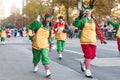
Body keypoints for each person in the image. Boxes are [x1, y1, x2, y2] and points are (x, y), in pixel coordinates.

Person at [72, 7, 106, 78]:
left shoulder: (94, 20)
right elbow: (75, 24)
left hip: (93, 40)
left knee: (92, 56)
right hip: (84, 40)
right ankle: (87, 70)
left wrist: (102, 39)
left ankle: (83, 63)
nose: (87, 12)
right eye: (86, 11)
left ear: (91, 12)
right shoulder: (83, 19)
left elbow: (98, 30)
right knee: (88, 55)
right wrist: (79, 17)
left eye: (89, 11)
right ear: (85, 13)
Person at [28, 14, 52, 79]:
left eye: (49, 19)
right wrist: (31, 37)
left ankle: (47, 71)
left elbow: (49, 37)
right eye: (47, 18)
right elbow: (30, 28)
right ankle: (35, 65)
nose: (48, 20)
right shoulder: (39, 24)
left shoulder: (49, 28)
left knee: (45, 57)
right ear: (45, 19)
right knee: (36, 57)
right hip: (36, 44)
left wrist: (50, 44)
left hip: (44, 45)